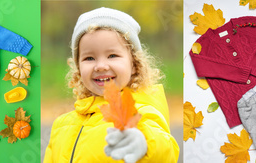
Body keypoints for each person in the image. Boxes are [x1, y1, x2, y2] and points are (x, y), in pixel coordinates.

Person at [44, 7, 178, 163]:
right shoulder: (61, 125)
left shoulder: (138, 113)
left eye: (112, 55)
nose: (100, 66)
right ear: (78, 68)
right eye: (89, 58)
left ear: (134, 64)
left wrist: (145, 144)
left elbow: (165, 150)